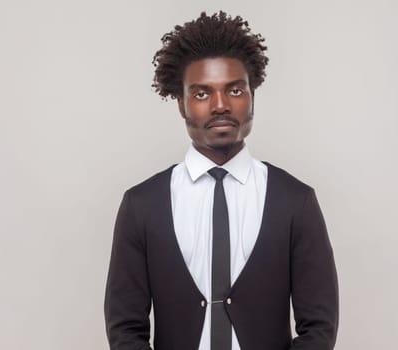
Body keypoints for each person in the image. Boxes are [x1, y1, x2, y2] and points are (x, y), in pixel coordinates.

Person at [104, 11, 339, 350]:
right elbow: (125, 329)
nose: (220, 105)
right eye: (201, 94)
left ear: (252, 96)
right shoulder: (141, 206)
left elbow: (319, 326)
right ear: (181, 104)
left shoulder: (295, 201)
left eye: (235, 90)